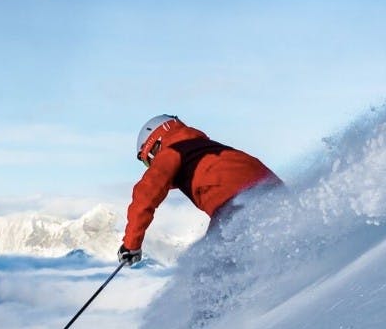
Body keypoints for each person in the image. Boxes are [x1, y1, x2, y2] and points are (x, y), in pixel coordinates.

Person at [117, 114, 282, 267]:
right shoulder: (208, 149)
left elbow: (145, 195)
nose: (151, 166)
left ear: (155, 146)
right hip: (275, 195)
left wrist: (131, 245)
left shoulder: (171, 151)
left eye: (148, 162)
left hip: (235, 204)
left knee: (209, 269)